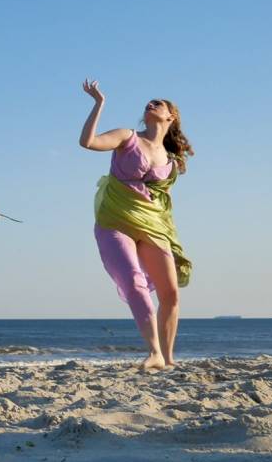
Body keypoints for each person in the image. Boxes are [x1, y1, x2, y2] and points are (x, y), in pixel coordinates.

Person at [79, 79, 195, 371]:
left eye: (160, 103)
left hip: (152, 224)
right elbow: (88, 143)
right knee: (133, 280)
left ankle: (168, 359)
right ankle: (154, 351)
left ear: (171, 117)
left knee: (170, 293)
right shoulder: (126, 136)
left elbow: (162, 199)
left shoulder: (169, 160)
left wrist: (169, 231)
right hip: (115, 219)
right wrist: (98, 104)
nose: (151, 104)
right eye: (149, 103)